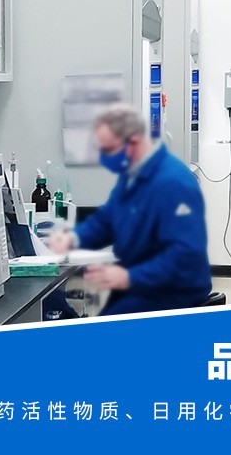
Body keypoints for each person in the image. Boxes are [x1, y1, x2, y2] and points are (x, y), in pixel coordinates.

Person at [47, 106, 210, 315]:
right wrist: (74, 238)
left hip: (172, 290)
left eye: (108, 149)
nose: (104, 157)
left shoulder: (174, 183)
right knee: (61, 305)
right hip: (143, 282)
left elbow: (184, 255)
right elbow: (107, 220)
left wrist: (128, 277)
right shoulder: (133, 175)